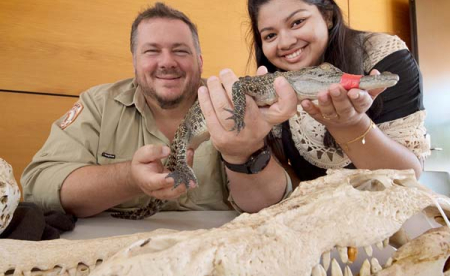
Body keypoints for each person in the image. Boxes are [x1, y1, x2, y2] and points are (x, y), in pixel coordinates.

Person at [21, 2, 297, 218]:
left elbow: (275, 205)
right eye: (152, 51)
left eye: (180, 51)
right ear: (135, 62)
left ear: (200, 61)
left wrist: (243, 153)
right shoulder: (97, 104)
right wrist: (130, 178)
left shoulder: (237, 100)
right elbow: (39, 186)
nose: (167, 62)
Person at [237, 0, 429, 183]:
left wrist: (351, 124)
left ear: (328, 16)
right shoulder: (267, 89)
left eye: (297, 22)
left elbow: (406, 176)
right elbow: (283, 181)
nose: (285, 43)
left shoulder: (382, 54)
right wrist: (242, 149)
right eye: (270, 35)